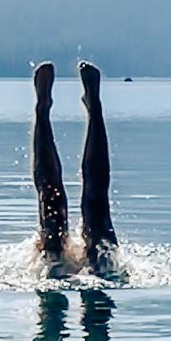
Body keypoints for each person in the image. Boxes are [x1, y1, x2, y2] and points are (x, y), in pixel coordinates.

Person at [31, 60, 119, 275]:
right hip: (97, 272)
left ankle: (46, 110)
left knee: (55, 209)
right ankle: (88, 108)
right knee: (93, 212)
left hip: (56, 271)